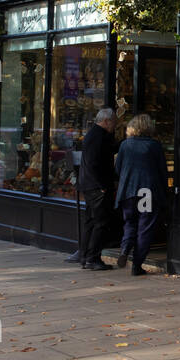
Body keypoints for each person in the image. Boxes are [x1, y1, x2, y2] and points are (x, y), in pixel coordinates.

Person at [114, 113, 168, 275]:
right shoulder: (154, 146)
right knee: (145, 227)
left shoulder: (125, 145)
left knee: (130, 223)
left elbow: (118, 169)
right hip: (147, 191)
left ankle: (124, 248)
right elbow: (162, 172)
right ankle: (137, 265)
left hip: (128, 190)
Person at [66, 107, 117, 269]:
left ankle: (84, 254)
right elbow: (94, 163)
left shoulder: (95, 135)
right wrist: (102, 185)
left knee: (90, 221)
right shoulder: (98, 136)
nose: (114, 125)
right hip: (96, 186)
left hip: (89, 184)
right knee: (100, 222)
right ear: (106, 121)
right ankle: (93, 258)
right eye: (113, 122)